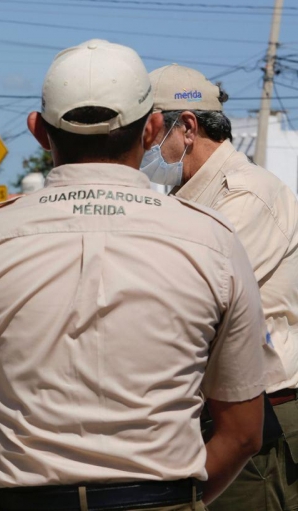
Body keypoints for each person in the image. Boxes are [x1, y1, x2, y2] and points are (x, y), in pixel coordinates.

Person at [0, 39, 280, 511]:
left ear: (37, 131)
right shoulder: (213, 239)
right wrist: (181, 498)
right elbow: (241, 433)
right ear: (154, 128)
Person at [144, 63, 298, 511]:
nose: (144, 146)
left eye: (151, 132)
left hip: (261, 416)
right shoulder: (190, 197)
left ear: (187, 127)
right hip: (221, 413)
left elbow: (189, 298)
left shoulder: (245, 196)